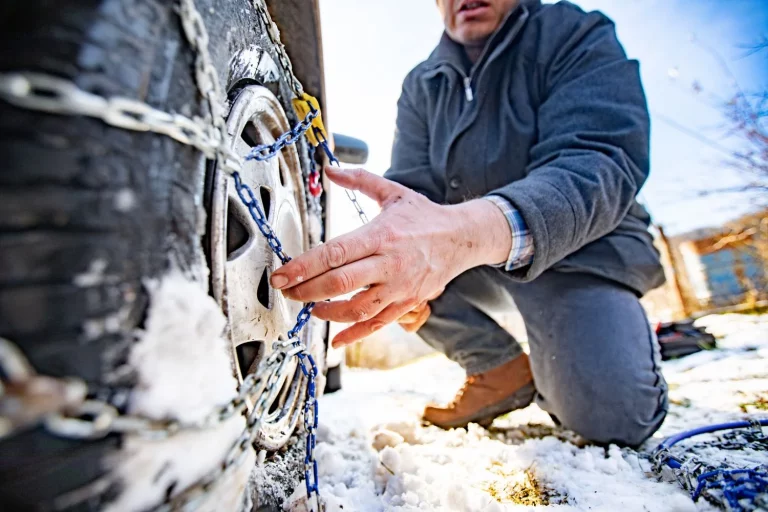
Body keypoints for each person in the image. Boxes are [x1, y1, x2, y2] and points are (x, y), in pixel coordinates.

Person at [270, 0, 668, 446]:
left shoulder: (573, 33)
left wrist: (461, 236)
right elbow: (411, 193)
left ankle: (597, 340)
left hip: (580, 253)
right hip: (472, 264)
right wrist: (400, 267)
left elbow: (598, 160)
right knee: (385, 260)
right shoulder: (422, 84)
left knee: (611, 419)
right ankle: (494, 365)